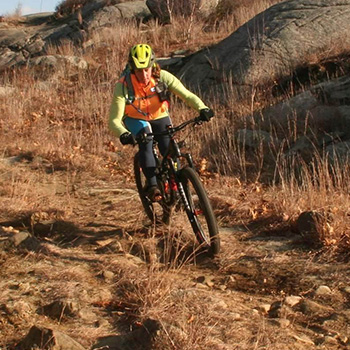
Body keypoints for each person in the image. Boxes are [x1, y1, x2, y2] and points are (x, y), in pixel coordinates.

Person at [109, 43, 214, 201]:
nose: (144, 75)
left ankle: (176, 187)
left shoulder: (162, 77)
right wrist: (123, 133)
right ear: (132, 69)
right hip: (135, 118)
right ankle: (153, 186)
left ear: (152, 66)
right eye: (139, 71)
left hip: (158, 115)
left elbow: (186, 95)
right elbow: (113, 120)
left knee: (169, 148)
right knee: (146, 139)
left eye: (147, 69)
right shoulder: (124, 86)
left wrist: (202, 108)